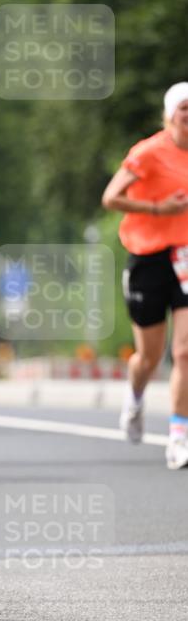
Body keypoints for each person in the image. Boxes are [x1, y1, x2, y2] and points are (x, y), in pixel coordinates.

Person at [102, 81, 188, 469]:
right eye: (184, 109)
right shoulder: (149, 152)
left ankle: (178, 435)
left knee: (184, 351)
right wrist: (158, 209)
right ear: (169, 115)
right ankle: (135, 397)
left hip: (185, 256)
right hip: (147, 259)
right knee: (148, 358)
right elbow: (111, 197)